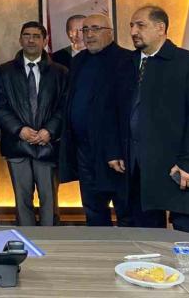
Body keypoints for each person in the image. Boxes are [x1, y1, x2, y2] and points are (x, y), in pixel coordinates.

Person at [113, 5, 189, 235]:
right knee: (144, 240)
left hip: (178, 167)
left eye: (141, 25)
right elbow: (115, 113)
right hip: (136, 168)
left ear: (160, 28)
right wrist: (115, 151)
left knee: (188, 239)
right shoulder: (124, 64)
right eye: (131, 25)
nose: (133, 31)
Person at [59, 14, 132, 226]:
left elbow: (127, 110)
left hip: (114, 152)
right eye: (86, 30)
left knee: (124, 209)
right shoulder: (78, 61)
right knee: (92, 208)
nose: (89, 34)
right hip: (84, 149)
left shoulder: (127, 60)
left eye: (95, 29)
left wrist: (117, 149)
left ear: (110, 32)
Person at [0, 21, 67, 226]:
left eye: (36, 36)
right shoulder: (4, 72)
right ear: (20, 40)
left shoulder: (60, 72)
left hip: (47, 145)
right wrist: (19, 130)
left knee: (49, 201)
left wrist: (49, 131)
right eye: (27, 35)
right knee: (22, 201)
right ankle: (26, 241)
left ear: (45, 41)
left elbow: (65, 107)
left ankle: (50, 241)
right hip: (17, 144)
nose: (31, 40)